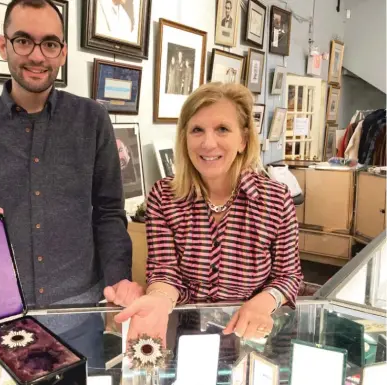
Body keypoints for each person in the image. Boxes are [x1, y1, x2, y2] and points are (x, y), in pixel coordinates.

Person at [0, 0, 143, 368]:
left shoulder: (92, 119)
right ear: (3, 46)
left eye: (49, 43)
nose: (37, 55)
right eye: (23, 41)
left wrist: (118, 279)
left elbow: (109, 211)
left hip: (79, 312)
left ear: (62, 52)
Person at [113, 82, 303, 344]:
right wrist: (158, 298)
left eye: (222, 129)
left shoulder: (275, 199)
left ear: (243, 139)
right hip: (185, 331)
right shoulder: (164, 196)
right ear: (185, 138)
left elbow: (289, 275)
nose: (208, 143)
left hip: (249, 334)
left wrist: (264, 301)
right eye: (197, 130)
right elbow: (164, 270)